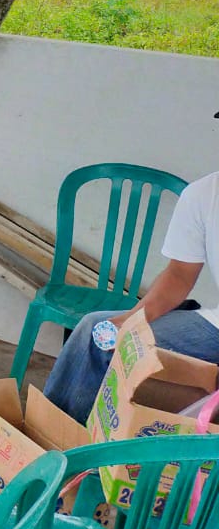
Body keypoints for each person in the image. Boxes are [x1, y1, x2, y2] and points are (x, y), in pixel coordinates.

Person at [43, 167, 219, 422]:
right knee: (96, 331)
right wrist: (133, 319)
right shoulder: (203, 194)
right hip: (214, 328)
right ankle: (54, 443)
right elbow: (179, 275)